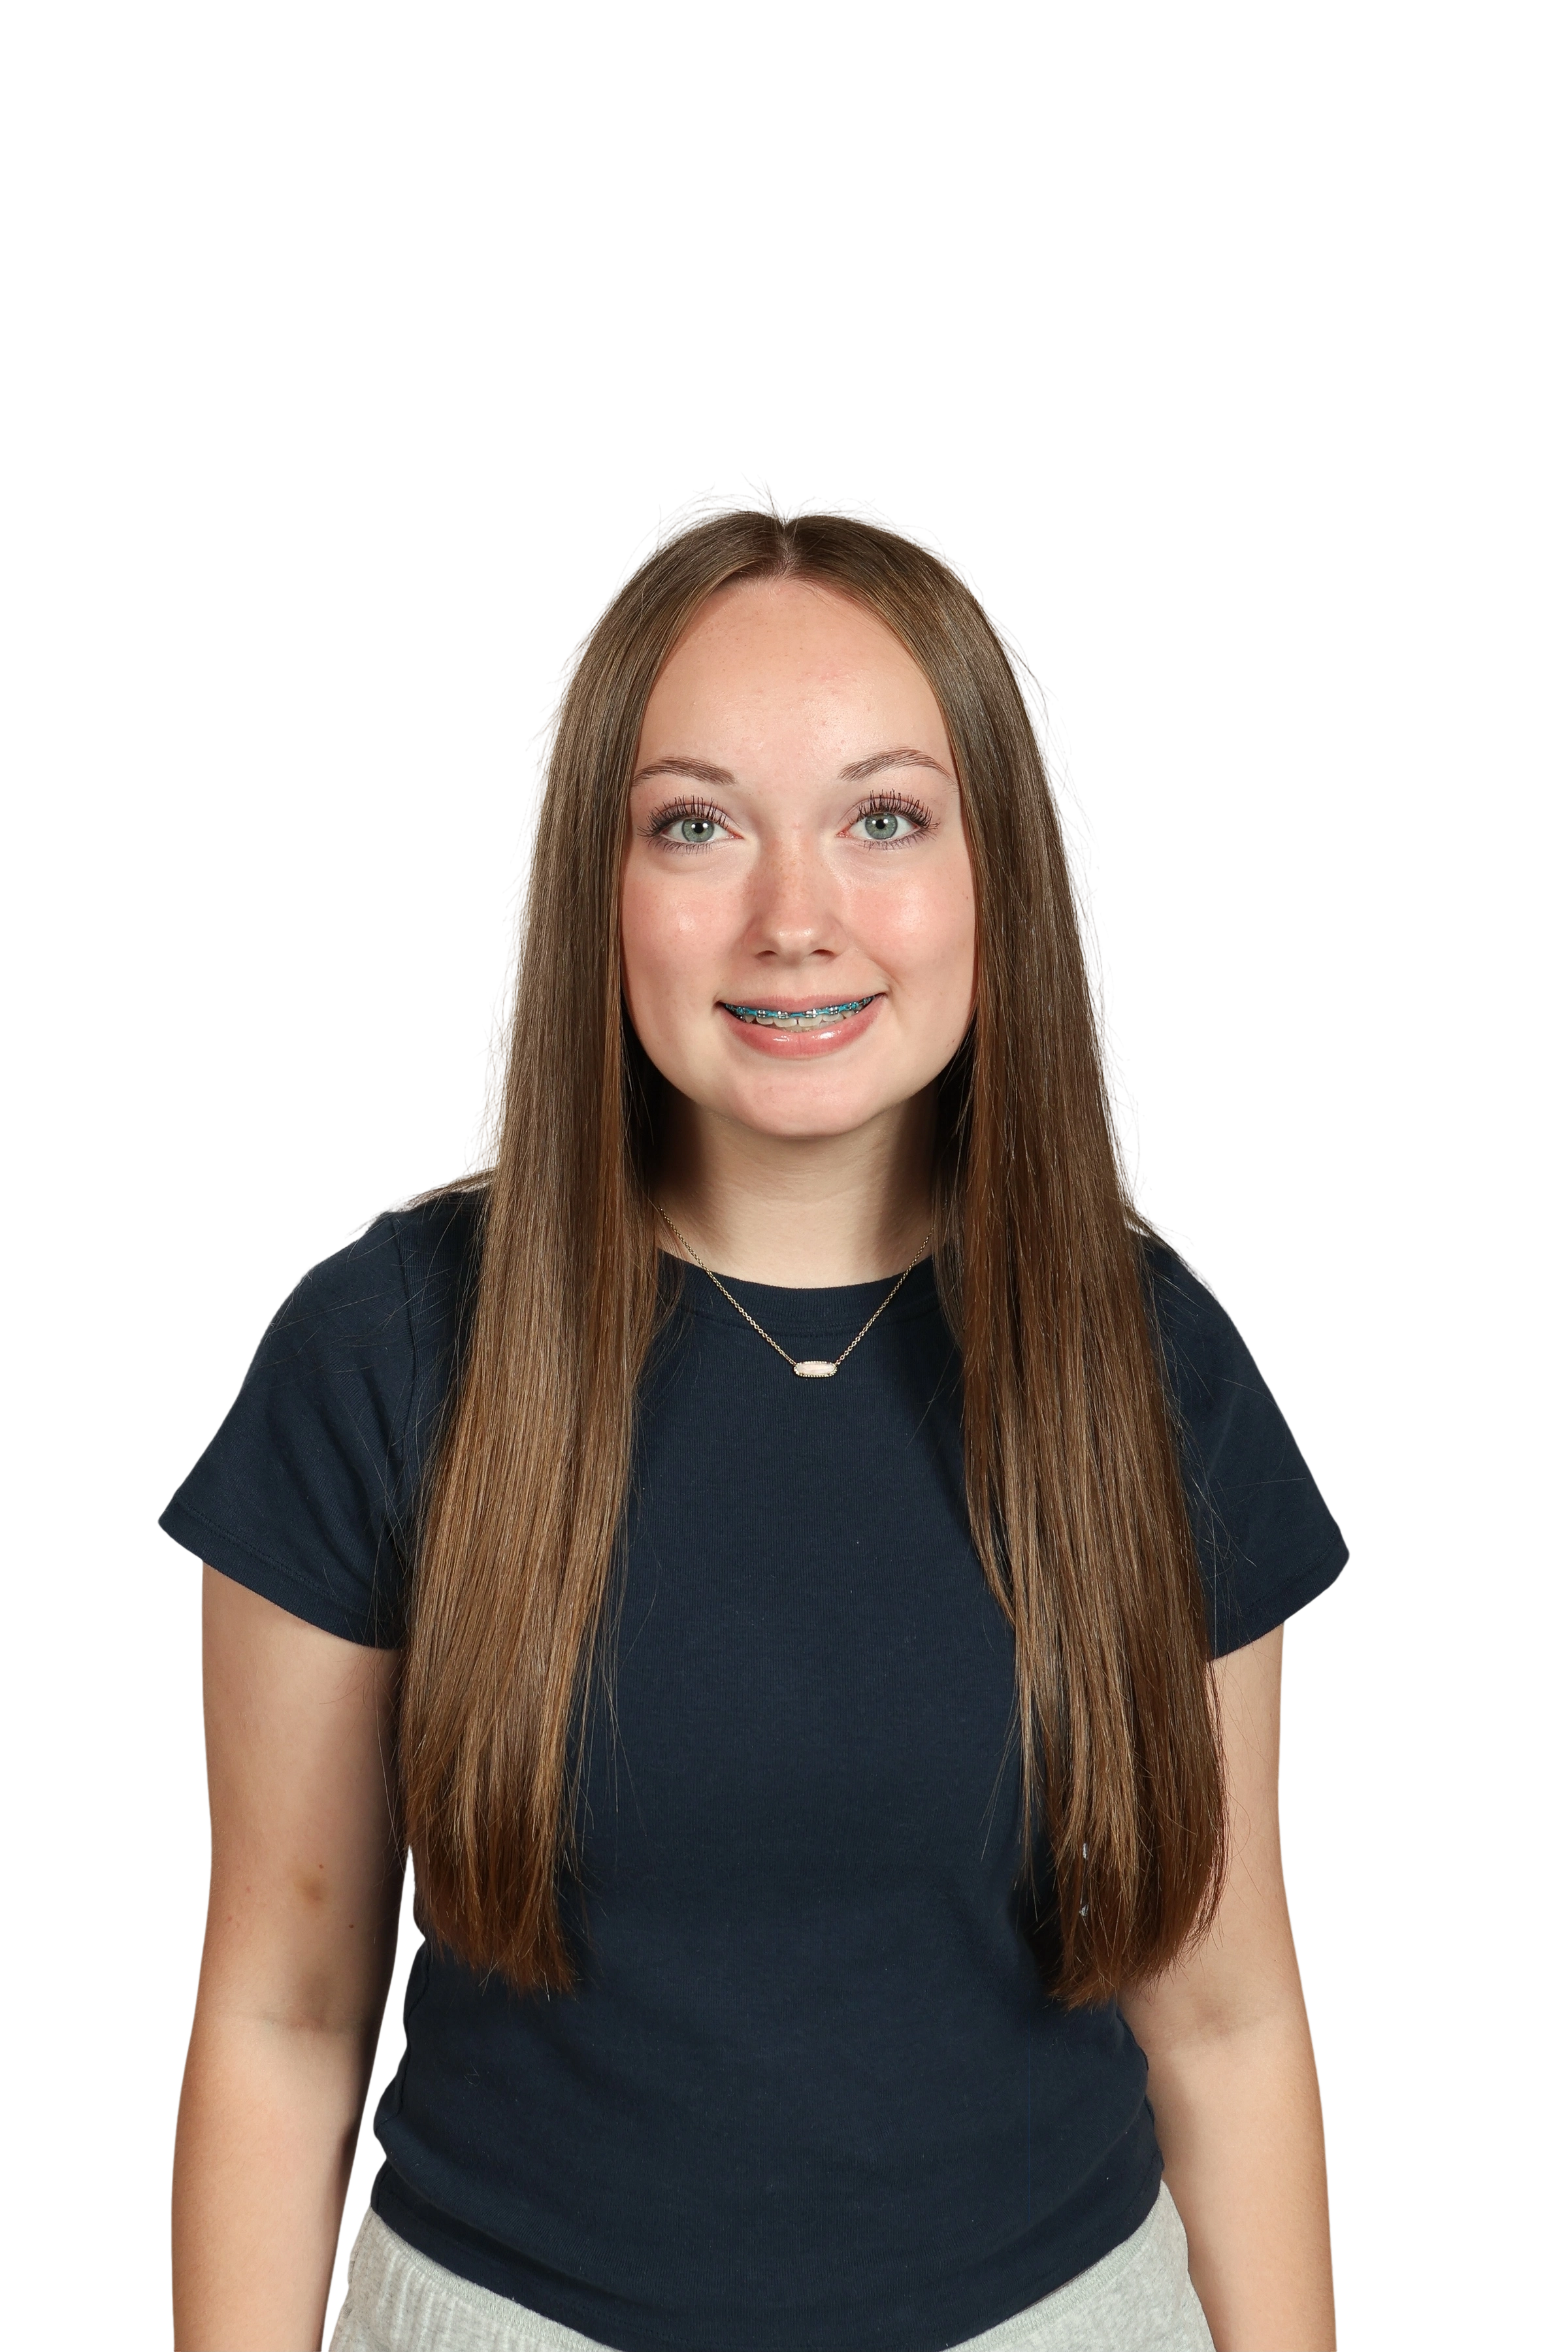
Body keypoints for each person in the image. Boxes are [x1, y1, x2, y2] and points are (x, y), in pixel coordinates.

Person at [158, 477, 1347, 2352]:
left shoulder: (1149, 1355)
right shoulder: (384, 1349)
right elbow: (283, 2014)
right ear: (598, 886)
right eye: (697, 824)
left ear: (999, 874)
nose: (797, 920)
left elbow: (1227, 2017)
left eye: (886, 817)